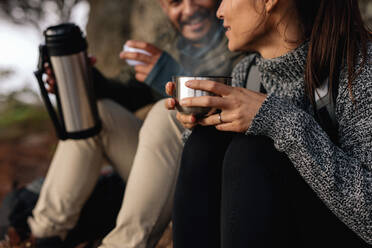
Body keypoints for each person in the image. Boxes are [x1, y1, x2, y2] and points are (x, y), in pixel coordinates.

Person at [0, 0, 242, 248]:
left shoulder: (239, 32)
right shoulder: (171, 41)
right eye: (176, 2)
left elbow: (238, 98)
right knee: (97, 113)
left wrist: (171, 75)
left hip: (216, 175)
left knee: (164, 113)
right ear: (164, 8)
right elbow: (130, 93)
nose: (189, 9)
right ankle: (40, 237)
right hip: (166, 172)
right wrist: (87, 81)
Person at [166, 0, 372, 247]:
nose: (219, 11)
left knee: (251, 152)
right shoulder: (248, 73)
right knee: (204, 143)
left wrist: (277, 119)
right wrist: (203, 123)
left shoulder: (358, 68)